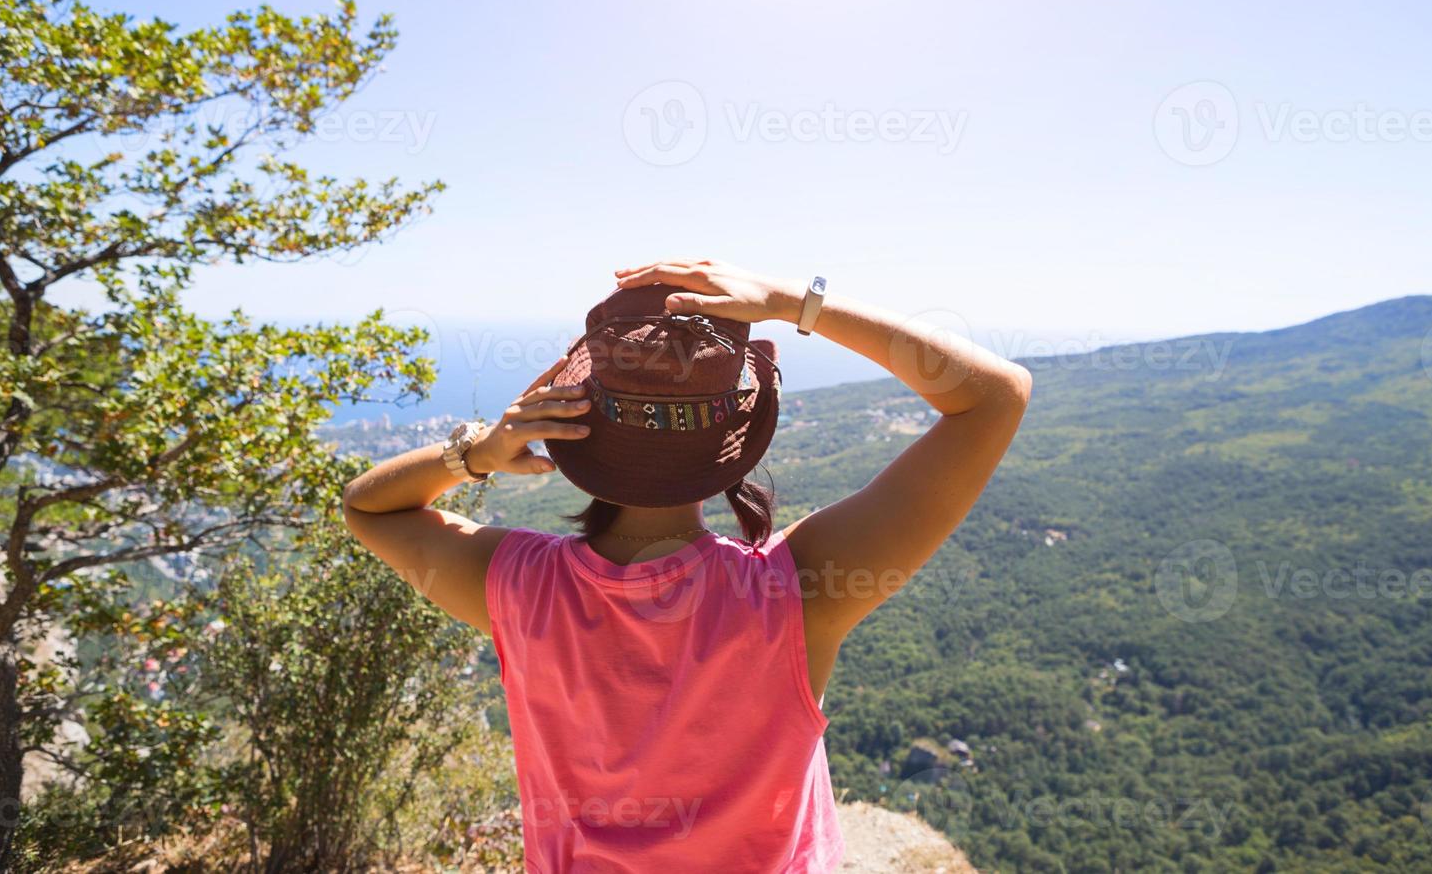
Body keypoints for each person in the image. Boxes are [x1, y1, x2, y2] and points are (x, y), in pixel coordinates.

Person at [341, 258, 1031, 873]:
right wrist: (791, 301)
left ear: (571, 431)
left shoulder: (517, 584)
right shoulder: (796, 593)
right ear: (731, 445)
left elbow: (369, 509)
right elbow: (994, 396)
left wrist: (478, 453)